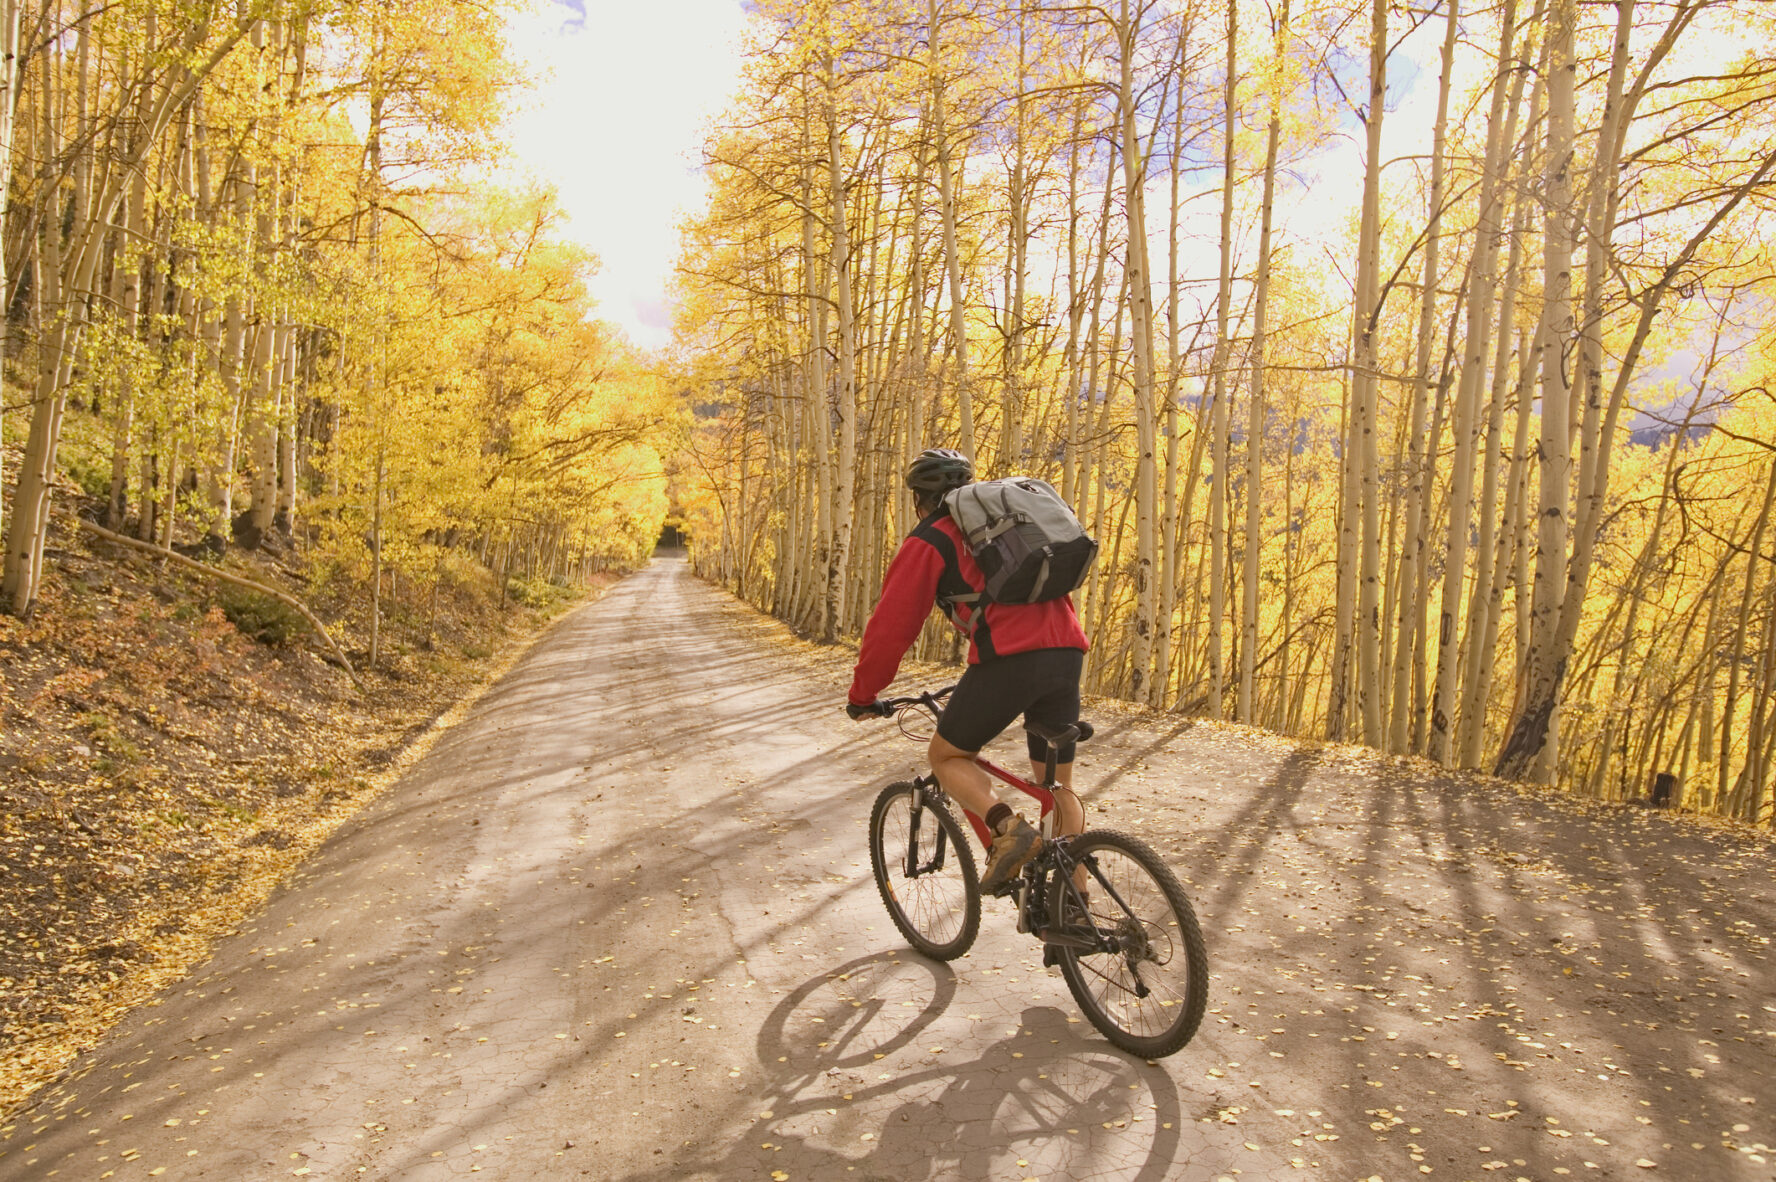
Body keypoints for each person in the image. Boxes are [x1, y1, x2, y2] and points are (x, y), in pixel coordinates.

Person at [846, 448, 1091, 893]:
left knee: (946, 756)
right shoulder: (1010, 525)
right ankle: (1074, 910)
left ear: (921, 498)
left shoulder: (932, 538)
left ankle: (1007, 829)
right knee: (1057, 787)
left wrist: (864, 694)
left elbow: (891, 628)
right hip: (1068, 651)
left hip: (1010, 658)